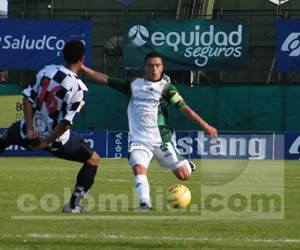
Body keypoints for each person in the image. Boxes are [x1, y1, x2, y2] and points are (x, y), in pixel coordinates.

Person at [81, 51, 218, 210]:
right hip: (139, 140)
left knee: (184, 176)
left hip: (161, 140)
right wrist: (83, 68)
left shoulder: (167, 89)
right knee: (139, 168)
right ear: (144, 68)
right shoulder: (133, 84)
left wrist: (205, 125)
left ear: (162, 68)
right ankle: (145, 203)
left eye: (157, 65)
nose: (154, 69)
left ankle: (187, 164)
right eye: (150, 65)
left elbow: (184, 108)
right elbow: (105, 79)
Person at [0, 40, 99, 213]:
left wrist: (30, 128)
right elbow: (65, 123)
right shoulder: (79, 88)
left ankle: (25, 131)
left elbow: (27, 98)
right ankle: (73, 205)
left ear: (63, 55)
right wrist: (46, 141)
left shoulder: (47, 71)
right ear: (82, 59)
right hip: (57, 141)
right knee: (93, 159)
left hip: (28, 133)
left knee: (7, 137)